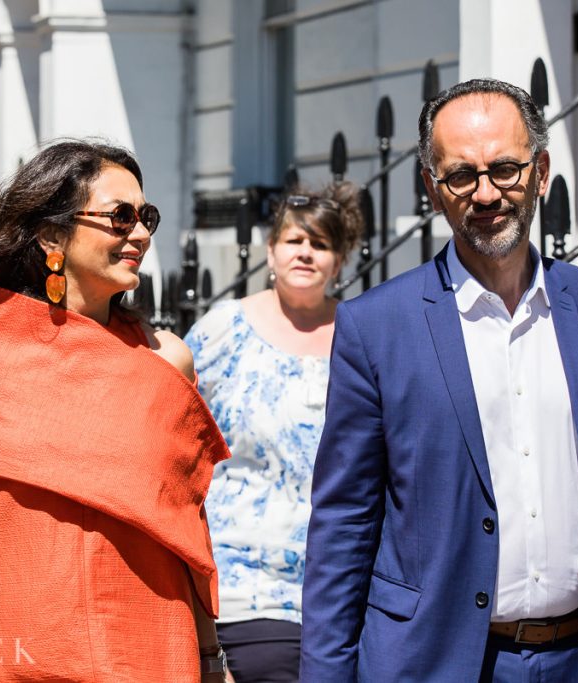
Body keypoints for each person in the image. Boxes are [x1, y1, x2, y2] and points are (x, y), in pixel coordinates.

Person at [299, 78, 578, 682]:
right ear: (433, 190)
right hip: (436, 661)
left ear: (541, 174)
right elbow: (344, 524)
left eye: (505, 168)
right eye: (461, 175)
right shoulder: (375, 327)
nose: (486, 193)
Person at [0, 140, 232, 682]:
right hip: (10, 640)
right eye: (120, 217)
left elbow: (183, 519)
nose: (139, 233)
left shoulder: (168, 359)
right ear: (52, 234)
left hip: (144, 639)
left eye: (146, 217)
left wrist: (211, 656)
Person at [184, 183, 362, 681]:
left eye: (321, 243)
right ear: (270, 249)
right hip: (242, 585)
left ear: (341, 259)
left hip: (337, 585)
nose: (305, 252)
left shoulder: (361, 336)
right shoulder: (223, 329)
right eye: (293, 240)